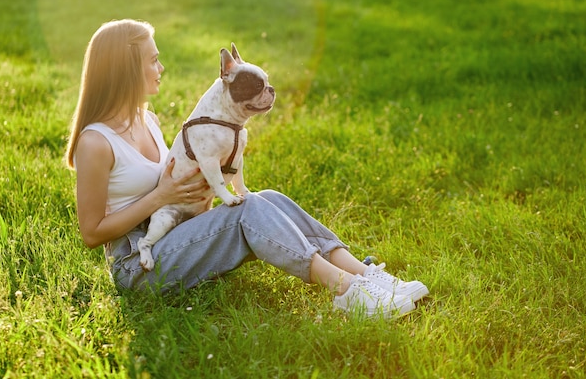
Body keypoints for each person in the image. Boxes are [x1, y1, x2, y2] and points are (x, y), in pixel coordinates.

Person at [65, 19, 429, 318]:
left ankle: (368, 276)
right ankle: (347, 291)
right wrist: (161, 196)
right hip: (137, 267)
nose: (161, 68)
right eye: (153, 60)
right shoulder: (96, 142)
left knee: (265, 197)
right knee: (247, 210)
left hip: (177, 232)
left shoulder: (149, 120)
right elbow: (92, 234)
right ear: (126, 68)